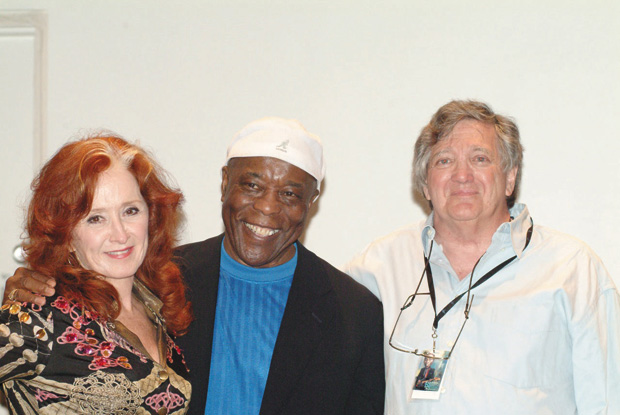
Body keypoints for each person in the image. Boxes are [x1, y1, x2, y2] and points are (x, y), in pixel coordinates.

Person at [5, 118, 386, 415]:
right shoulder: (165, 275)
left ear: (311, 201)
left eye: (289, 194)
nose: (267, 208)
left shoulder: (356, 313)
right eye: (252, 186)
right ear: (224, 183)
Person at [343, 100, 620, 414]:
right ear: (425, 183)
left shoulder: (573, 271)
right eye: (444, 161)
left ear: (510, 177)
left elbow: (607, 403)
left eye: (480, 158)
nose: (463, 175)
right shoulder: (375, 270)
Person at [0, 135, 193, 413]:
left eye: (130, 211)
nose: (120, 233)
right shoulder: (41, 316)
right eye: (96, 218)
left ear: (151, 216)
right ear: (65, 233)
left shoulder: (157, 307)